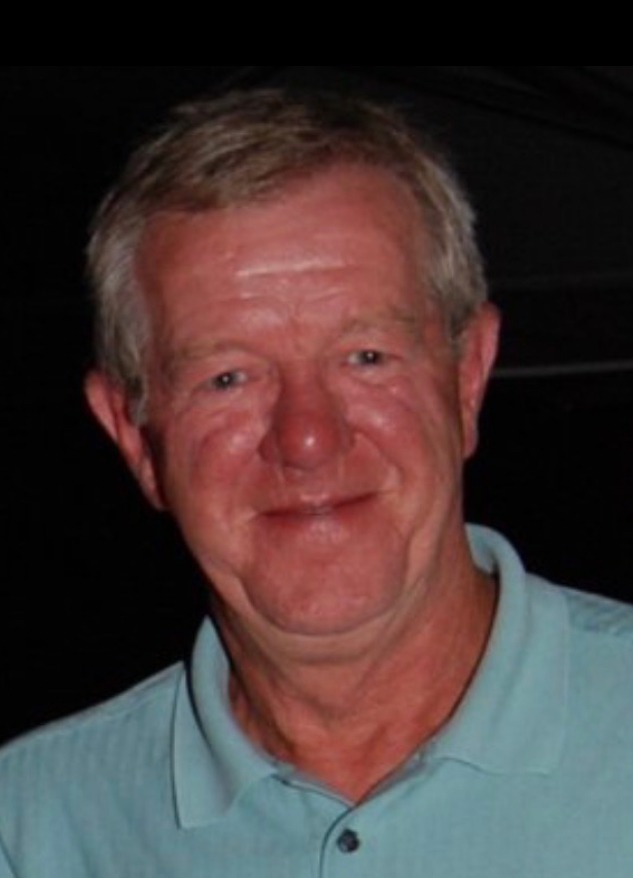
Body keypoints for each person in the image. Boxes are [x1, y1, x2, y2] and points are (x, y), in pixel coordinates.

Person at [1, 89, 632, 877]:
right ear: (134, 437)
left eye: (365, 357)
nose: (306, 438)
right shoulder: (33, 832)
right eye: (228, 377)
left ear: (467, 377)